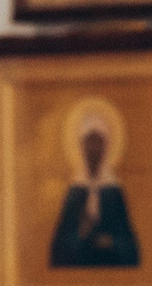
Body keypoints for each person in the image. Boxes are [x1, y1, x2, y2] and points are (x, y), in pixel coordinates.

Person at [48, 106, 141, 267]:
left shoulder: (113, 192)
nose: (93, 149)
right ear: (81, 146)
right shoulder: (75, 191)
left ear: (106, 147)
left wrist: (111, 241)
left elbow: (130, 249)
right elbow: (59, 249)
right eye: (89, 142)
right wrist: (81, 236)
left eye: (98, 142)